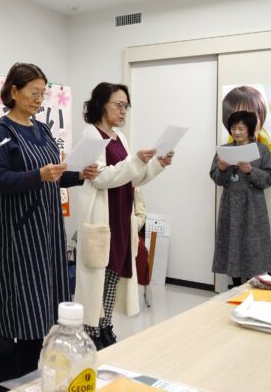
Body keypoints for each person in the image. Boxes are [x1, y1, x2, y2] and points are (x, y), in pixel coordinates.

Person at [0, 63, 99, 392]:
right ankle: (8, 379)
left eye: (42, 94)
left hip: (48, 231)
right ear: (14, 91)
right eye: (33, 92)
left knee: (43, 304)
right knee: (15, 303)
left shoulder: (43, 129)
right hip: (19, 233)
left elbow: (56, 175)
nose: (38, 99)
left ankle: (30, 376)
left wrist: (78, 174)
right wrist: (38, 175)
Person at [72, 82, 173, 350]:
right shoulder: (90, 135)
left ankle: (105, 326)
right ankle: (91, 331)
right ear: (101, 104)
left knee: (114, 274)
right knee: (98, 275)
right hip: (101, 217)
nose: (123, 111)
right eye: (119, 105)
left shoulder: (120, 138)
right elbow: (102, 178)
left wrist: (155, 164)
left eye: (126, 106)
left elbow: (132, 177)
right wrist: (135, 161)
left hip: (120, 215)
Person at [211, 110, 271, 288]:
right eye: (233, 128)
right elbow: (217, 179)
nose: (236, 132)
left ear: (250, 129)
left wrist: (251, 171)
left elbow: (270, 178)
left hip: (254, 206)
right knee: (232, 243)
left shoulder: (261, 150)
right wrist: (222, 170)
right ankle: (236, 286)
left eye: (241, 128)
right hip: (230, 205)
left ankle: (253, 285)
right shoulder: (223, 150)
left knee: (254, 245)